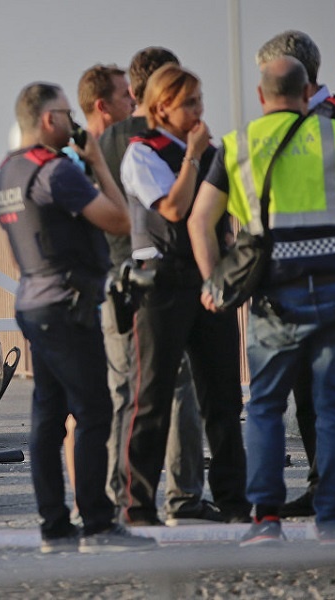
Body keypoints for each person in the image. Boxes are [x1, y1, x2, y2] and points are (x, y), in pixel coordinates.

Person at [188, 55, 335, 545]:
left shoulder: (239, 146)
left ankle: (265, 520)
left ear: (261, 97)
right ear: (308, 94)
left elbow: (200, 220)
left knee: (264, 406)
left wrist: (211, 283)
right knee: (334, 409)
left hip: (274, 300)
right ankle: (332, 522)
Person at [0, 82, 156, 553]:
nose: (73, 123)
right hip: (67, 304)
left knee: (48, 415)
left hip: (33, 302)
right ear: (48, 120)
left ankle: (55, 526)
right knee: (93, 411)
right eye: (66, 114)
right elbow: (121, 219)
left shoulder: (7, 172)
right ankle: (99, 525)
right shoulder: (56, 171)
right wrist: (99, 163)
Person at [117, 63, 250, 527]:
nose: (199, 110)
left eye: (199, 100)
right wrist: (194, 156)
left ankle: (235, 501)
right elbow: (172, 209)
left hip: (207, 278)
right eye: (188, 102)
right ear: (161, 108)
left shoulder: (214, 150)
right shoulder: (142, 152)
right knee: (152, 396)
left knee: (223, 398)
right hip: (161, 283)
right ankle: (138, 504)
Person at [97, 47, 219, 525]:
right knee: (182, 394)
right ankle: (185, 495)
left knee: (128, 395)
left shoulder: (105, 142)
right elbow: (183, 211)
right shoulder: (161, 144)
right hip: (168, 276)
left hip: (119, 280)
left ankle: (120, 496)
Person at [254, 29, 335, 519]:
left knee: (325, 398)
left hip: (328, 280)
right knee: (315, 400)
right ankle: (327, 492)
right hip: (329, 277)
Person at [63, 63, 135, 509]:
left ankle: (88, 498)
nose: (134, 103)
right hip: (92, 291)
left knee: (92, 402)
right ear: (104, 106)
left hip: (91, 289)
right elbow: (118, 218)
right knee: (96, 402)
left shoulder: (95, 154)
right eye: (127, 96)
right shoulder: (80, 162)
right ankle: (96, 497)